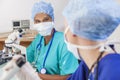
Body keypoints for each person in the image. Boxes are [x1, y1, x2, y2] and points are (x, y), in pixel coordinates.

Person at [62, 0, 120, 80]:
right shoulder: (88, 64)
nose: (64, 34)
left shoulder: (113, 72)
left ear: (74, 29)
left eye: (65, 27)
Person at [27, 1, 78, 80]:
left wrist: (36, 75)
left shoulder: (63, 42)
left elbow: (69, 77)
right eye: (38, 21)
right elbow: (27, 57)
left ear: (52, 20)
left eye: (46, 20)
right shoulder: (39, 39)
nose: (42, 24)